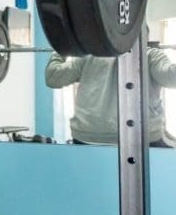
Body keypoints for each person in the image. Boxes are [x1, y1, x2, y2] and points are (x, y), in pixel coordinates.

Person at [45, 46, 176, 147]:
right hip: (141, 137)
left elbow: (53, 77)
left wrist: (61, 49)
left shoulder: (88, 55)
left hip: (87, 137)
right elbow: (171, 78)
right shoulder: (151, 55)